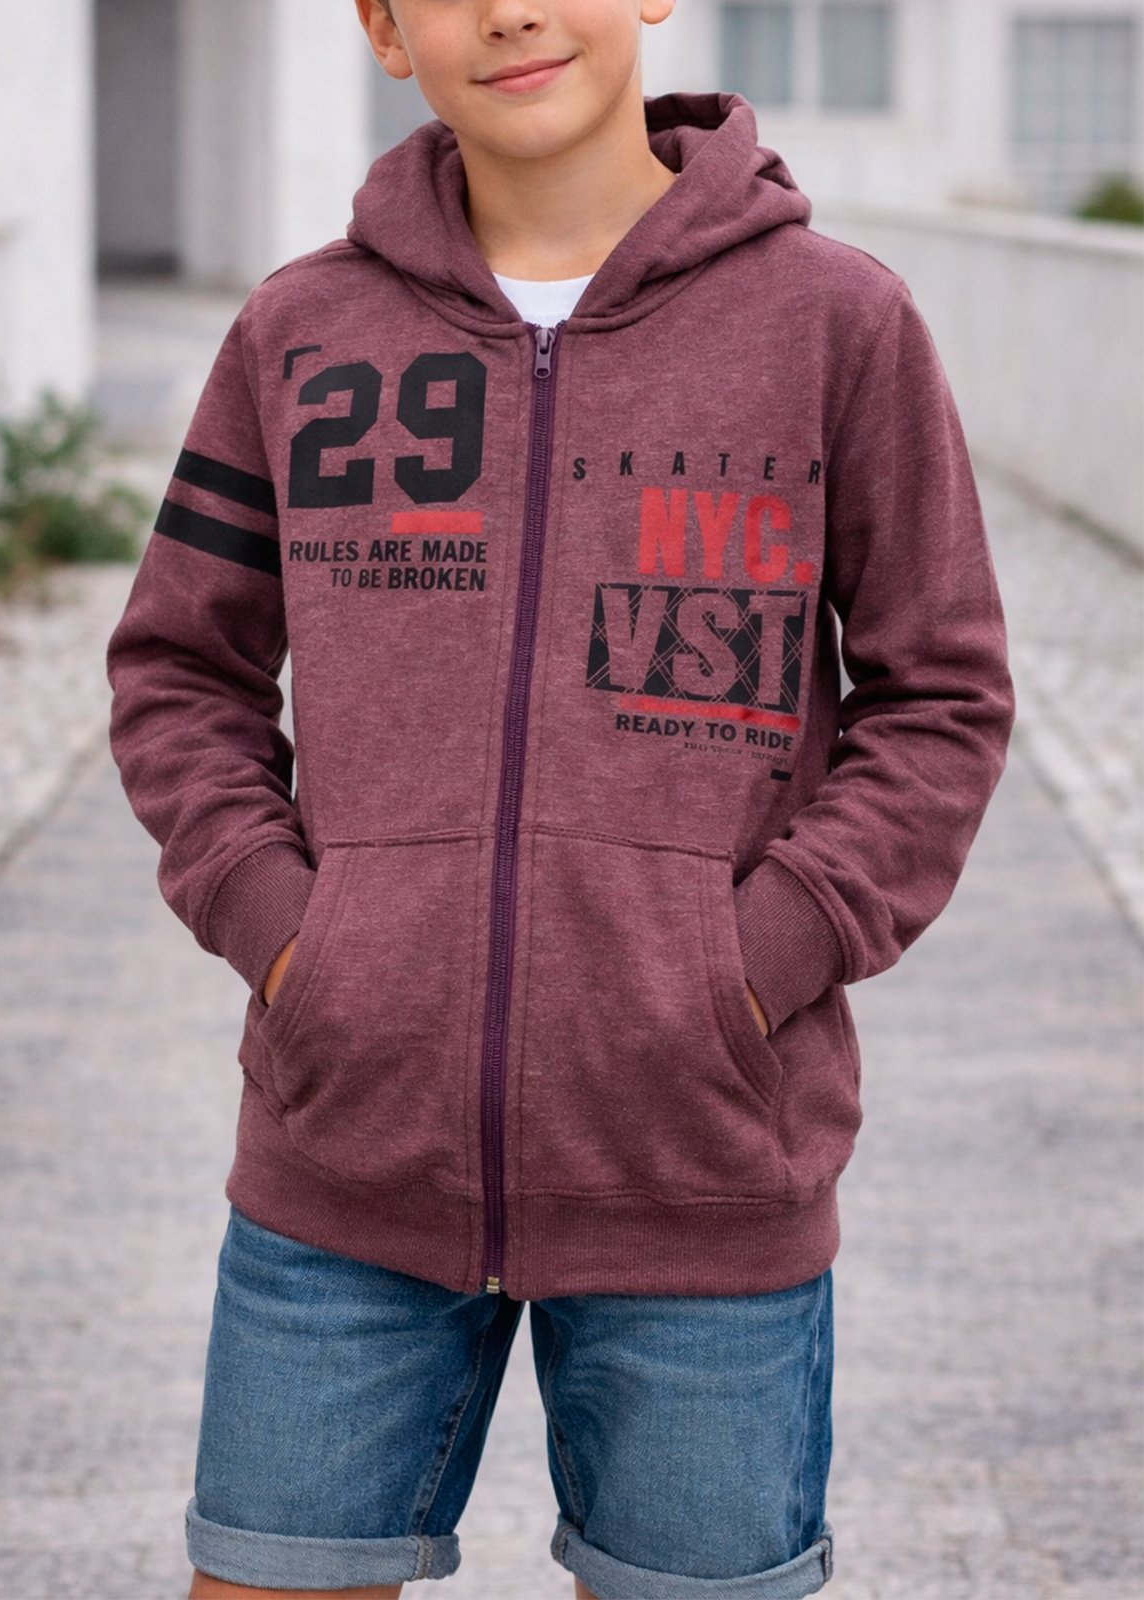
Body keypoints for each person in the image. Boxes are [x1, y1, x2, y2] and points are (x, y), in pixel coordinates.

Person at [104, 1, 1015, 1596]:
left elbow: (941, 696)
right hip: (343, 1180)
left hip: (706, 1184)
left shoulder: (836, 325)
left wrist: (752, 966)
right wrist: (296, 941)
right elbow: (181, 668)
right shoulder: (300, 333)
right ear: (384, 26)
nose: (511, 8)